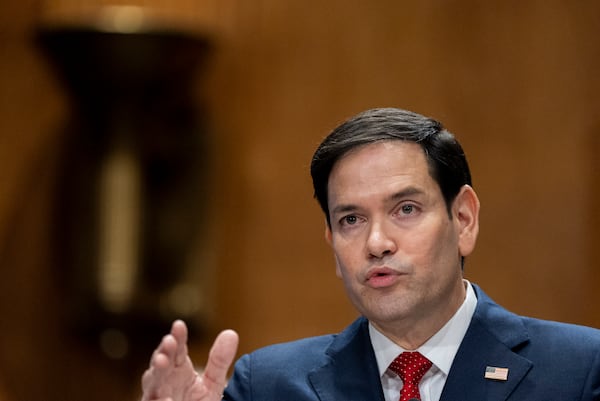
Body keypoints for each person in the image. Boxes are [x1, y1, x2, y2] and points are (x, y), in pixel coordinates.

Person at [141, 108, 600, 401]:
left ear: (463, 219)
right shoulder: (267, 385)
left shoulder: (579, 370)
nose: (377, 243)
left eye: (405, 209)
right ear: (332, 244)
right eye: (351, 220)